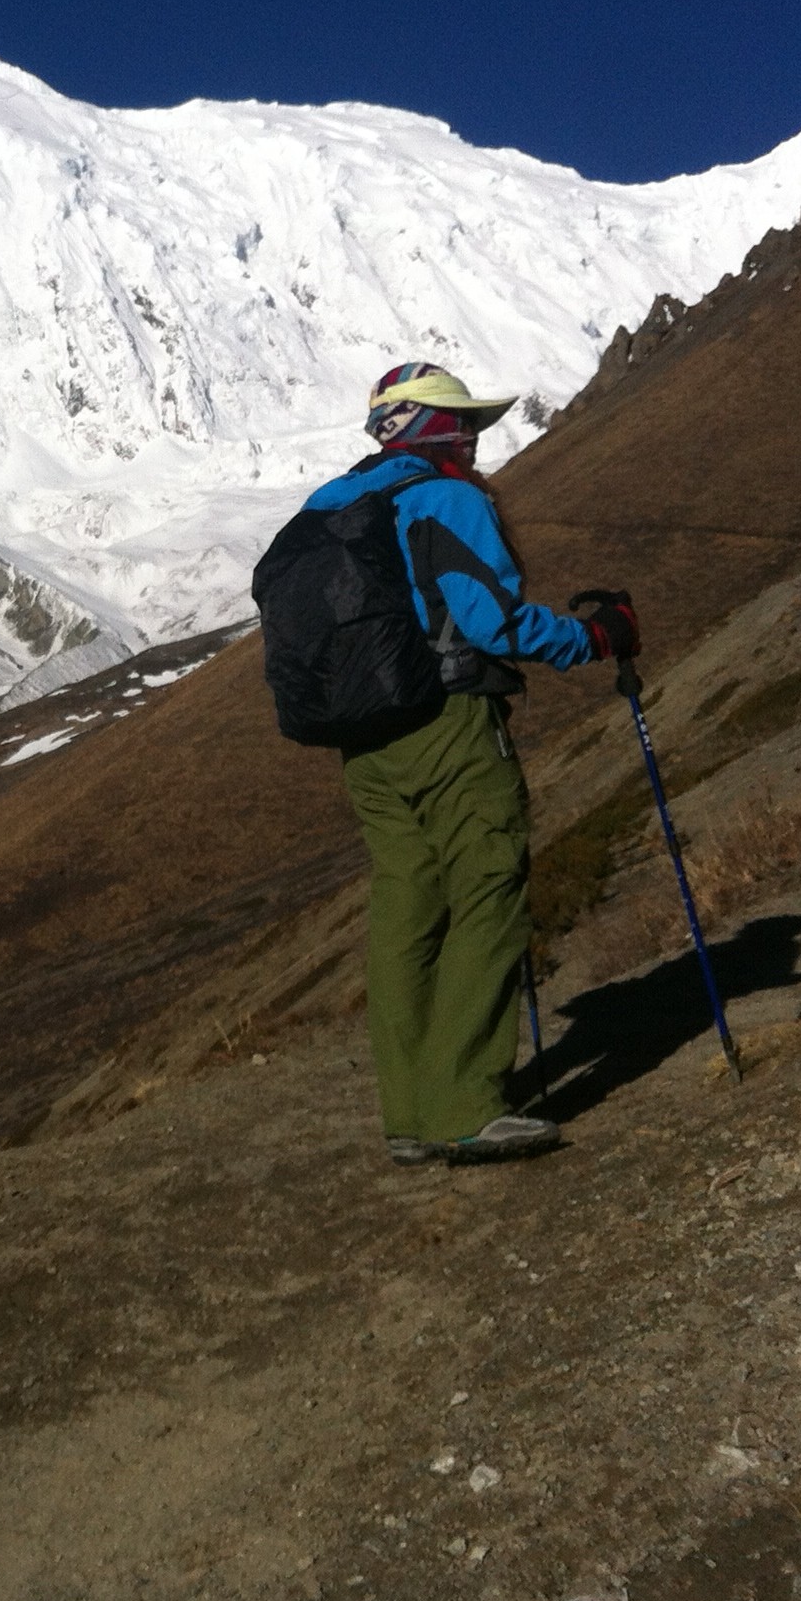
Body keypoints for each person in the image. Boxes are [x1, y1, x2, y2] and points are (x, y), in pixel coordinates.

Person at [274, 362, 636, 1167]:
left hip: (366, 742)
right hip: (451, 724)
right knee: (488, 886)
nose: (474, 436)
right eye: (462, 422)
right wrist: (597, 637)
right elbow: (492, 621)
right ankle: (467, 1105)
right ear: (431, 428)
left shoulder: (333, 505)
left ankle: (409, 1113)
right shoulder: (447, 497)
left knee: (408, 903)